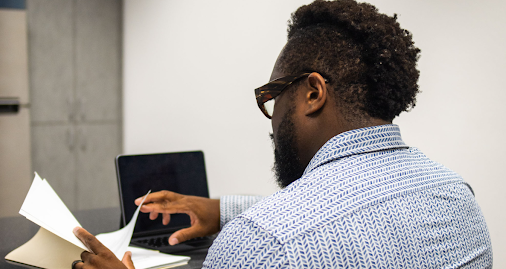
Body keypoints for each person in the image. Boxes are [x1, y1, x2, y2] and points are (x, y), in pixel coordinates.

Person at [72, 0, 493, 268]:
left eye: (274, 96)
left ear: (312, 93)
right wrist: (221, 211)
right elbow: (356, 212)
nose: (272, 119)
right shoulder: (458, 197)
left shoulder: (262, 246)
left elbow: (300, 228)